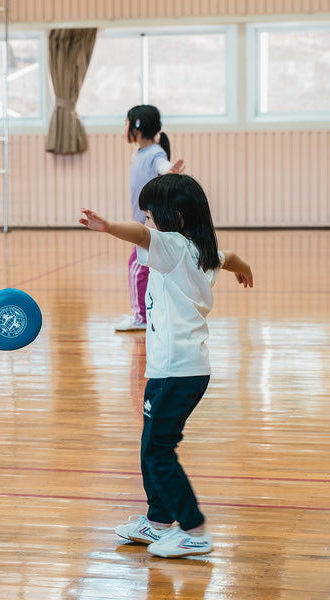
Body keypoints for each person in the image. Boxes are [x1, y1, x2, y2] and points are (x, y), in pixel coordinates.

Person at [79, 173, 253, 558]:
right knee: (151, 445)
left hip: (177, 370)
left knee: (159, 451)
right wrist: (245, 268)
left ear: (173, 218)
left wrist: (107, 226)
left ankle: (194, 532)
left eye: (149, 216)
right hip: (176, 369)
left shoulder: (172, 247)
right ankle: (157, 523)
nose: (145, 224)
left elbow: (141, 238)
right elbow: (231, 258)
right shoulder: (202, 250)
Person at [115, 105, 185, 332]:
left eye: (126, 123)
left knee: (137, 267)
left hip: (151, 226)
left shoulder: (155, 153)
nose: (123, 128)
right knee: (150, 269)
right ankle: (150, 313)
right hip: (143, 223)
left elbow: (162, 166)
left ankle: (141, 318)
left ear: (137, 127)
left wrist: (169, 170)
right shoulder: (139, 152)